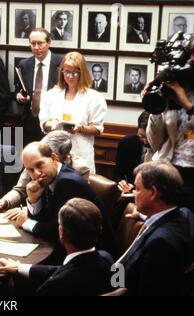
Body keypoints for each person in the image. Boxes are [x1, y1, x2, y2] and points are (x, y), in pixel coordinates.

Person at [3, 142, 116, 258]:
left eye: (40, 165)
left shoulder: (68, 182)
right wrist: (33, 199)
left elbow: (59, 232)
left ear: (53, 158)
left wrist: (26, 222)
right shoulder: (50, 177)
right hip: (69, 248)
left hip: (92, 258)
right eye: (30, 170)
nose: (36, 174)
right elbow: (45, 220)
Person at [0, 198, 114, 296]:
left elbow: (63, 274)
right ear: (99, 230)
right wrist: (20, 268)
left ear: (61, 232)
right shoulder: (107, 259)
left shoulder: (54, 286)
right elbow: (64, 270)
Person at [118, 161, 194, 295]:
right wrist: (142, 215)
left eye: (138, 189)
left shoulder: (161, 243)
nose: (134, 193)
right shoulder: (184, 214)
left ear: (153, 193)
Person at [145, 38, 194, 209]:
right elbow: (155, 142)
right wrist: (156, 106)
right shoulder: (173, 88)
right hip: (170, 170)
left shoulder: (183, 95)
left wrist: (187, 105)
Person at [39, 51, 107, 174]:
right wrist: (53, 124)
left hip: (81, 152)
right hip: (54, 152)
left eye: (75, 72)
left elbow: (97, 129)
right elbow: (43, 123)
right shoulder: (51, 95)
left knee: (79, 189)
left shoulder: (94, 97)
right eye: (67, 72)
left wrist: (80, 128)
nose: (70, 76)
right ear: (62, 72)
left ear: (83, 73)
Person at [0, 130, 90, 213]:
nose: (36, 173)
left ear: (56, 157)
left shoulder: (79, 169)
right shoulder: (36, 160)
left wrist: (25, 210)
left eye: (46, 154)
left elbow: (75, 210)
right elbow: (20, 190)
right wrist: (4, 202)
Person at [16, 28, 63, 145]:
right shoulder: (24, 64)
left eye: (40, 43)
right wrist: (19, 97)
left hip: (52, 121)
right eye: (33, 43)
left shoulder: (61, 63)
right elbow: (18, 90)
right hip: (29, 120)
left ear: (49, 43)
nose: (36, 47)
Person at [114, 111, 151, 185]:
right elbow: (118, 174)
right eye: (141, 136)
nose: (145, 141)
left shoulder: (165, 148)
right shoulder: (127, 143)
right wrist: (122, 183)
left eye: (149, 138)